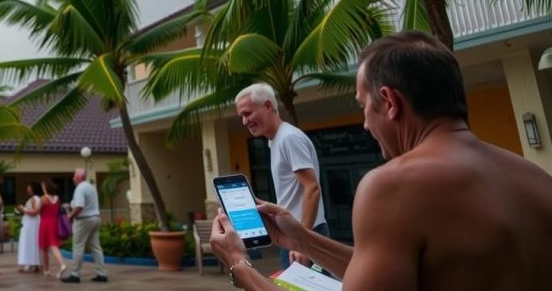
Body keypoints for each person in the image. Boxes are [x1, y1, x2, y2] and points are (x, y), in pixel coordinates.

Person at [211, 31, 552, 291]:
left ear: (389, 102)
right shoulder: (535, 179)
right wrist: (303, 239)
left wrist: (239, 264)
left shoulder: (393, 186)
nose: (364, 123)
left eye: (363, 106)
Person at [234, 82, 327, 268]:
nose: (244, 121)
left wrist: (303, 241)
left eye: (248, 113)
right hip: (293, 235)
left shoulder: (288, 138)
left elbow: (312, 187)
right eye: (241, 116)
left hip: (304, 234)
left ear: (268, 106)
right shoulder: (275, 141)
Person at [62, 168, 107, 283]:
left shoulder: (80, 188)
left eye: (74, 176)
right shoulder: (91, 187)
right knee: (96, 247)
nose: (72, 178)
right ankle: (102, 273)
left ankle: (75, 274)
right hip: (95, 218)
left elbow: (79, 207)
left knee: (78, 247)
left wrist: (70, 217)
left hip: (83, 220)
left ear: (79, 177)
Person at [38, 180, 67, 278]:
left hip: (45, 223)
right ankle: (58, 265)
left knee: (45, 247)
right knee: (53, 244)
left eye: (43, 187)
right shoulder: (57, 198)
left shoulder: (43, 198)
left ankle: (49, 269)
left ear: (46, 188)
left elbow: (37, 210)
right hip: (55, 223)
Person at [16, 181, 43, 273]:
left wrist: (23, 209)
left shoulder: (34, 199)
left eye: (29, 187)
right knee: (33, 243)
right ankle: (34, 263)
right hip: (33, 223)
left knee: (28, 242)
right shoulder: (38, 198)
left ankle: (29, 263)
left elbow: (35, 211)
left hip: (31, 224)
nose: (27, 189)